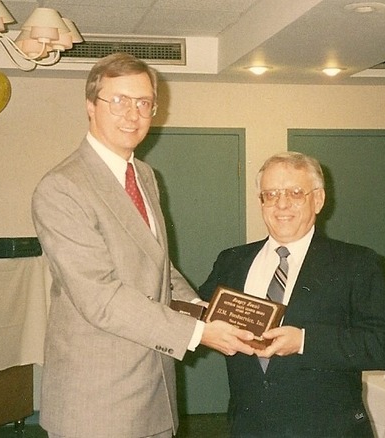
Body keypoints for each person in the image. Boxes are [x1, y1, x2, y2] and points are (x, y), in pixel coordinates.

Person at [31, 53, 255, 438]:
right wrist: (197, 333)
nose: (132, 114)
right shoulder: (62, 188)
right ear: (90, 106)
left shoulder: (145, 176)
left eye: (143, 103)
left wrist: (202, 310)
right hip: (97, 399)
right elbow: (101, 299)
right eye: (118, 100)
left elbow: (159, 267)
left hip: (154, 388)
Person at [198, 151, 385, 437]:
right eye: (271, 194)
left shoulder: (356, 262)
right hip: (249, 428)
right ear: (261, 202)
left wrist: (305, 341)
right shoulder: (232, 261)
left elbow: (383, 346)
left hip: (327, 430)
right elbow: (201, 314)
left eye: (295, 192)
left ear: (318, 200)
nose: (282, 204)